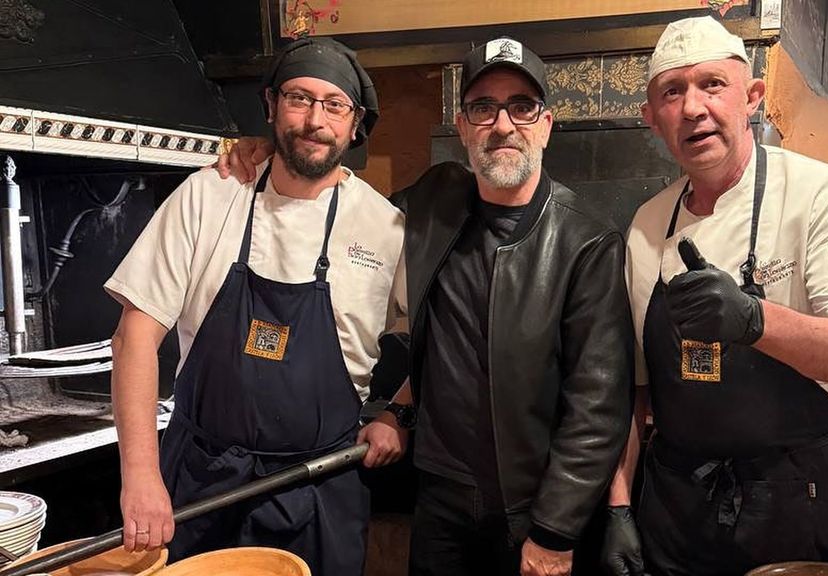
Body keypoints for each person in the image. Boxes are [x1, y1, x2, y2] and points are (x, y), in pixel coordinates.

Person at [219, 37, 634, 576]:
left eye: (522, 107)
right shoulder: (433, 202)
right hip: (440, 498)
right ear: (462, 128)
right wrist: (276, 146)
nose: (503, 125)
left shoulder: (587, 243)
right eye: (483, 108)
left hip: (530, 506)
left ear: (547, 124)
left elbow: (597, 407)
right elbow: (338, 190)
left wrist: (555, 530)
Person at [106, 37, 410, 576]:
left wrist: (397, 411)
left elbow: (437, 339)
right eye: (299, 98)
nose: (315, 119)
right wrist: (140, 475)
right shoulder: (209, 194)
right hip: (201, 485)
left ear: (355, 122)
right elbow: (134, 338)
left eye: (334, 105)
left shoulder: (385, 227)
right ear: (271, 105)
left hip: (320, 492)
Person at [600, 17, 828, 576]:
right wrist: (618, 507)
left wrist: (753, 319)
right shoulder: (644, 226)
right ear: (652, 121)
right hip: (675, 506)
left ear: (752, 97)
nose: (692, 108)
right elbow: (632, 391)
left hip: (792, 499)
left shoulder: (817, 193)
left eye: (712, 85)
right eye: (671, 92)